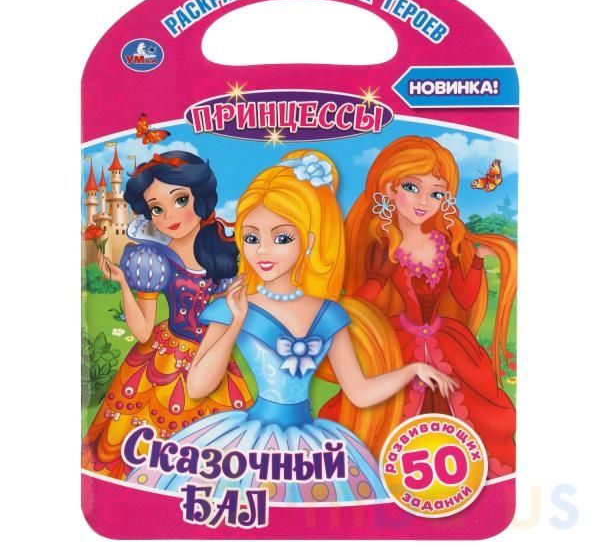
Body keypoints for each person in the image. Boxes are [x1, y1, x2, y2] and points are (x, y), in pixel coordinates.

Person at [126, 150, 455, 502]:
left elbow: (359, 393)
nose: (263, 251)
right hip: (248, 443)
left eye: (282, 238)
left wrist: (413, 370)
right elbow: (197, 386)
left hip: (310, 447)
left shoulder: (329, 314)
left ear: (308, 241)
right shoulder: (232, 306)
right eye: (252, 238)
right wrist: (236, 322)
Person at [318, 136, 517, 478]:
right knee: (384, 419)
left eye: (437, 194)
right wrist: (379, 274)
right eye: (412, 187)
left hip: (450, 345)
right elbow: (359, 309)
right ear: (389, 188)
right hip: (399, 346)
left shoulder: (445, 243)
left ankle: (449, 472)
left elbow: (465, 298)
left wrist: (476, 261)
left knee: (466, 413)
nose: (424, 202)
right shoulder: (381, 246)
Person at [82, 151, 253, 479]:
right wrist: (123, 283)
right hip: (163, 359)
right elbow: (143, 332)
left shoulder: (222, 251)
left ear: (200, 197)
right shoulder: (152, 260)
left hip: (212, 353)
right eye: (156, 209)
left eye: (180, 200)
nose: (169, 216)